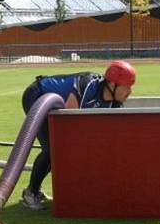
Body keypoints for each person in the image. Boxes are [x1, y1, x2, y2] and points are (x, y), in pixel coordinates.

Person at [20, 60, 136, 211]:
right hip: (37, 94)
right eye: (126, 87)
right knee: (52, 149)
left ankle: (36, 190)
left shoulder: (115, 104)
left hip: (58, 108)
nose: (129, 92)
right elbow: (70, 122)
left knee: (59, 149)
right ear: (112, 84)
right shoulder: (88, 85)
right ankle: (31, 193)